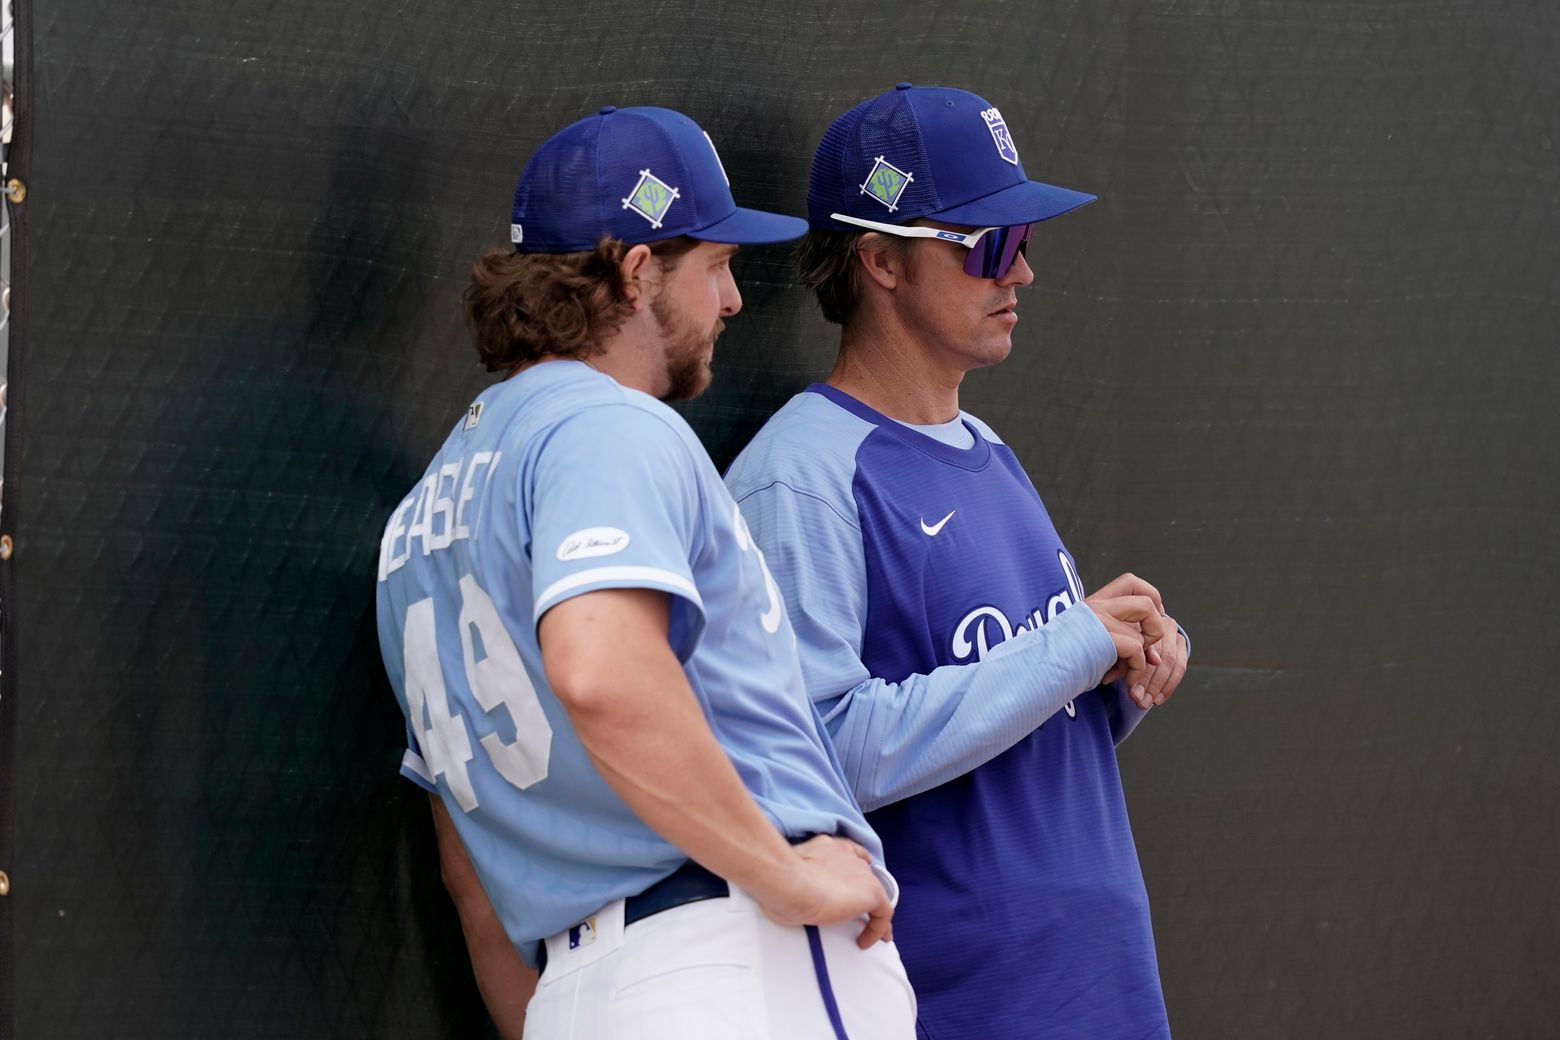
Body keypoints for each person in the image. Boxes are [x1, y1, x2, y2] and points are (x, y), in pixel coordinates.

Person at [375, 104, 917, 1040]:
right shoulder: (605, 424)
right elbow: (602, 669)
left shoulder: (419, 515)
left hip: (578, 990)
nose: (734, 302)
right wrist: (782, 875)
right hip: (735, 953)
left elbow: (465, 871)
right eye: (715, 267)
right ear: (634, 273)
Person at [724, 84, 1190, 1040]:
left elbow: (1020, 714)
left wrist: (1115, 677)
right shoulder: (801, 477)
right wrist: (1071, 646)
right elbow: (817, 755)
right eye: (988, 246)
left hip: (1101, 989)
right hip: (964, 1000)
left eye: (1020, 241)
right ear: (881, 261)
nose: (1019, 274)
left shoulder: (988, 450)